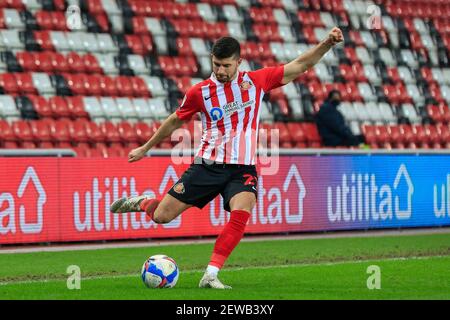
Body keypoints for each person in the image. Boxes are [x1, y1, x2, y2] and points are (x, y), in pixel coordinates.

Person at [110, 27, 344, 289]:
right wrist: (145, 147)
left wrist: (327, 43)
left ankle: (211, 274)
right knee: (162, 216)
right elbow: (176, 120)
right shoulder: (200, 92)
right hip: (207, 166)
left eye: (226, 65)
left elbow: (300, 65)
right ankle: (143, 203)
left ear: (239, 62)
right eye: (216, 64)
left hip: (242, 168)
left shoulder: (256, 81)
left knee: (242, 211)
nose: (220, 70)